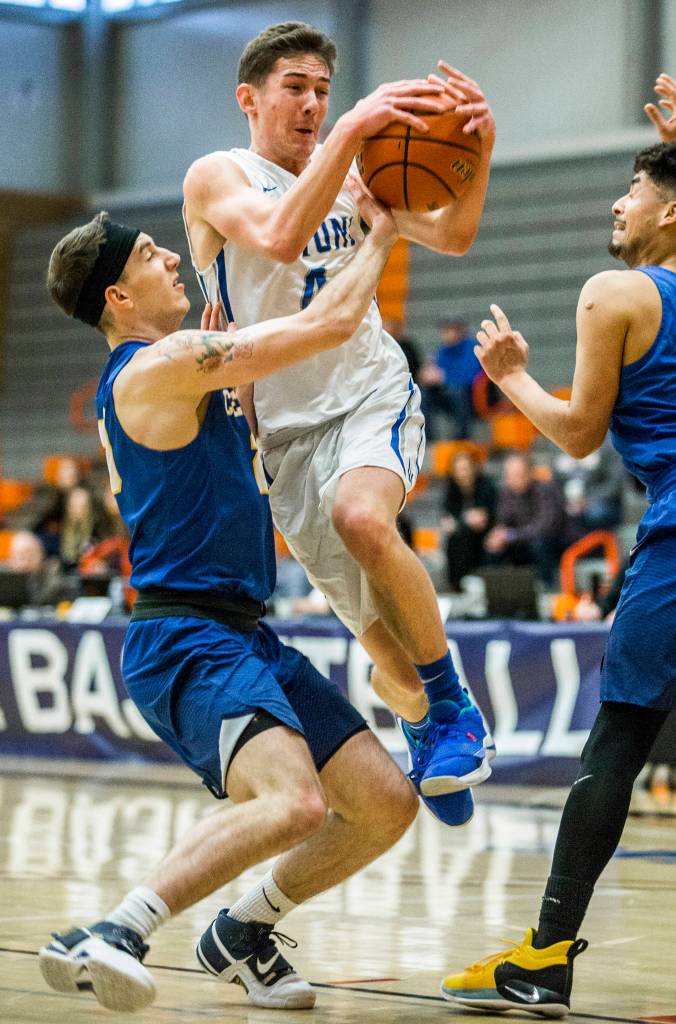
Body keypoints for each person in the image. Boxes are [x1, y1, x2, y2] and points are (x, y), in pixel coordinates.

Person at [39, 196, 420, 1013]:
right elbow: (321, 328)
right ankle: (113, 931)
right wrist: (381, 232)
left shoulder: (175, 366)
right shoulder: (155, 365)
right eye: (149, 253)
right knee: (293, 803)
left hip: (242, 632)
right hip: (184, 634)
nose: (170, 257)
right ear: (117, 295)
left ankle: (245, 930)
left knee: (384, 805)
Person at [183, 22, 497, 828]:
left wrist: (479, 151)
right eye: (296, 87)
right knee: (385, 656)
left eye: (324, 90)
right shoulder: (219, 177)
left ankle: (454, 707)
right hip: (284, 436)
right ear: (249, 97)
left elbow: (454, 234)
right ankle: (425, 721)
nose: (314, 104)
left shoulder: (360, 173)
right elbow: (281, 234)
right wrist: (357, 130)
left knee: (362, 516)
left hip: (368, 391)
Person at [441, 89, 676, 1015]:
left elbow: (582, 434)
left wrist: (512, 377)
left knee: (619, 741)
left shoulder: (618, 292)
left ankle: (545, 956)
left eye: (634, 188)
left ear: (671, 213)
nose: (615, 203)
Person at [485, 452, 566, 586]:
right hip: (522, 541)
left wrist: (512, 535)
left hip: (553, 540)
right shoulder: (505, 493)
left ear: (529, 473)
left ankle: (546, 585)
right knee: (493, 545)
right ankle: (495, 588)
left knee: (539, 543)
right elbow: (503, 519)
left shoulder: (545, 490)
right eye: (509, 475)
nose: (513, 480)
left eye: (518, 475)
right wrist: (498, 534)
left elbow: (544, 526)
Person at [439, 450, 496, 591]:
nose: (463, 473)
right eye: (458, 470)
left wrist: (459, 521)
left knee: (470, 538)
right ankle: (456, 586)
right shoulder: (451, 489)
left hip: (486, 533)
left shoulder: (486, 486)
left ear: (473, 468)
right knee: (455, 540)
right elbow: (447, 522)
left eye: (465, 469)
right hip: (461, 536)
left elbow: (483, 520)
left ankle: (483, 585)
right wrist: (466, 519)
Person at [419, 317, 482, 440]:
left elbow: (472, 376)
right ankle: (428, 437)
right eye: (444, 330)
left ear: (461, 330)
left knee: (458, 391)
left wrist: (443, 377)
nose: (446, 334)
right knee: (424, 394)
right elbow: (437, 374)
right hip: (449, 394)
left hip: (472, 395)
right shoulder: (442, 350)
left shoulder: (473, 347)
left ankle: (462, 437)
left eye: (450, 330)